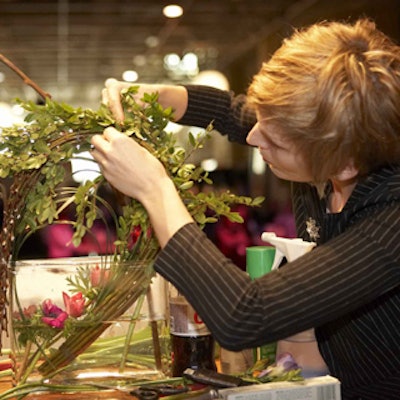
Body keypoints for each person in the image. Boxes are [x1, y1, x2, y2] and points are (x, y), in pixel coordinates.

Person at [90, 18, 400, 400]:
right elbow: (229, 111)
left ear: (344, 164)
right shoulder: (322, 137)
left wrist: (154, 189)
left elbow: (246, 315)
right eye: (262, 119)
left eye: (273, 140)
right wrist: (158, 97)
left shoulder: (391, 222)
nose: (253, 137)